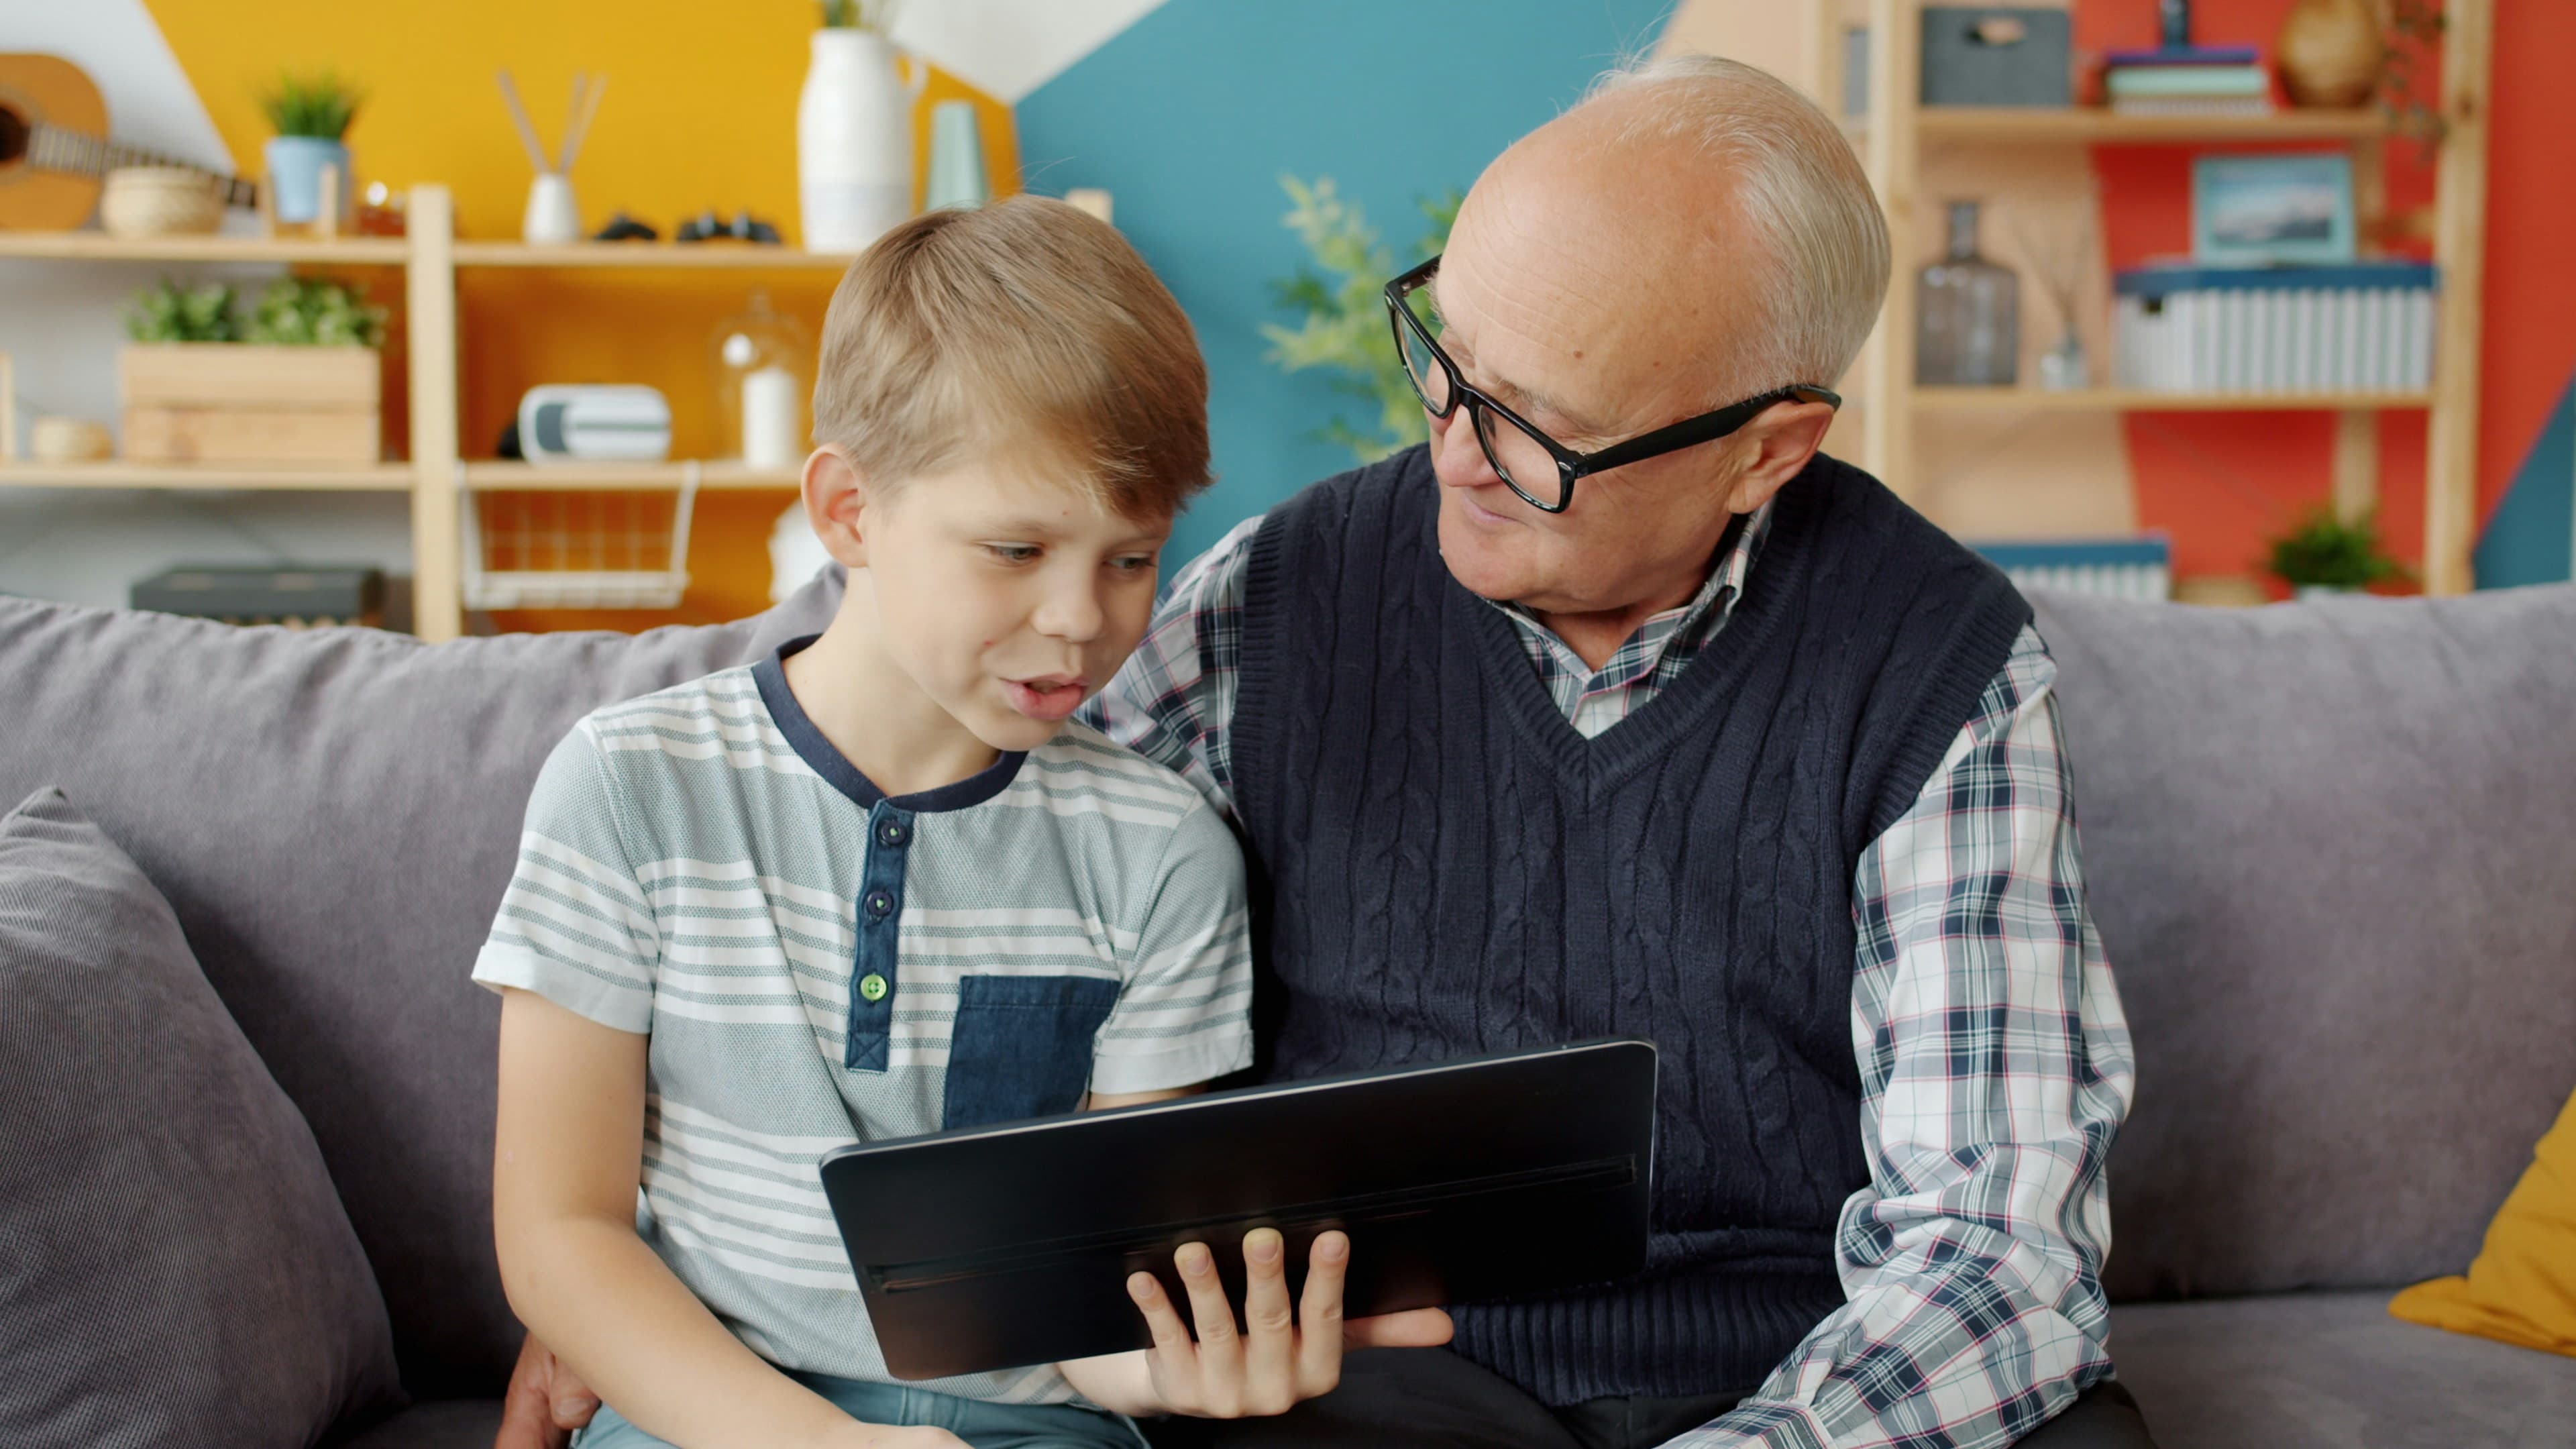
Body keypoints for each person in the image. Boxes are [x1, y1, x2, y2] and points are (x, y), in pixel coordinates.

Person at [503, 53, 2152, 1449]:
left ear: (1765, 449)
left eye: (1539, 429)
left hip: (1790, 1381)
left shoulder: (1937, 665)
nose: (1455, 448)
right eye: (1448, 356)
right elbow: (945, 775)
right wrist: (677, 1303)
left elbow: (1999, 1253)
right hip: (1383, 1390)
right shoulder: (1285, 592)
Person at [474, 195, 1448, 1449]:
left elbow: (1101, 1310)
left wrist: (1185, 1366)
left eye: (1130, 558)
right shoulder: (629, 787)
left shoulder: (1163, 856)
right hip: (716, 1419)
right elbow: (559, 1234)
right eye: (1014, 548)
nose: (1078, 621)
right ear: (848, 512)